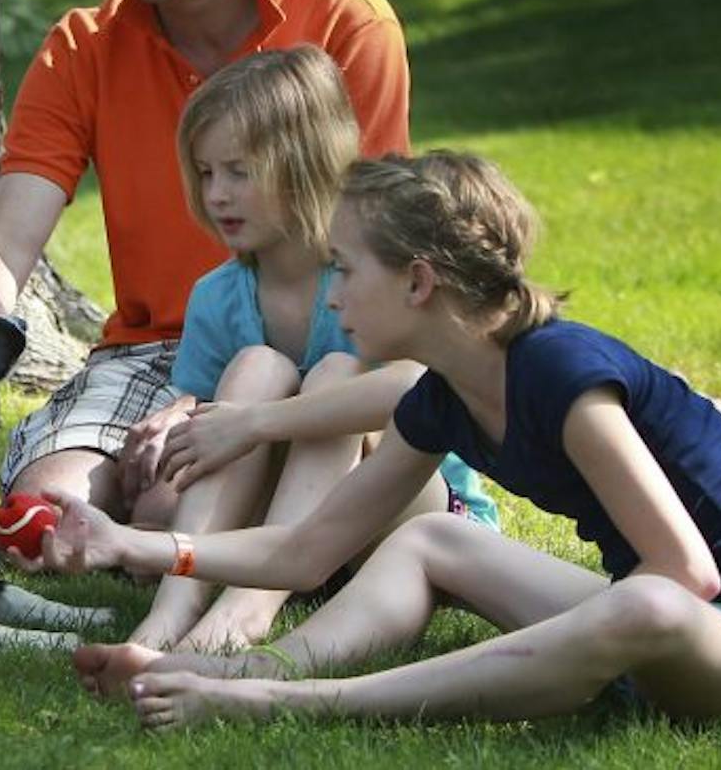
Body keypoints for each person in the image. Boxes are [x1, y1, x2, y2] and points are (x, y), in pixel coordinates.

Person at [47, 152, 721, 729]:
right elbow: (304, 552)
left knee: (647, 598)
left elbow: (690, 575)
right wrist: (140, 546)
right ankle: (246, 666)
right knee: (432, 539)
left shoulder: (559, 373)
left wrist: (572, 646)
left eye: (345, 269)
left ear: (419, 281)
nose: (334, 292)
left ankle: (285, 700)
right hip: (638, 633)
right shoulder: (443, 396)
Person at [0, 0, 410, 520]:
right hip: (155, 353)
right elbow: (5, 237)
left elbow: (378, 234)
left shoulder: (348, 22)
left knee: (180, 501)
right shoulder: (84, 46)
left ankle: (237, 511)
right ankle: (238, 510)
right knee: (48, 508)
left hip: (324, 338)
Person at [123, 49, 494, 654]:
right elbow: (215, 433)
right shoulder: (219, 296)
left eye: (239, 172)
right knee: (255, 367)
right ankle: (173, 610)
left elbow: (417, 388)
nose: (217, 194)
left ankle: (247, 611)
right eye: (206, 172)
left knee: (337, 375)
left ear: (304, 165)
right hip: (285, 532)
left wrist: (256, 422)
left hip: (412, 521)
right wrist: (178, 424)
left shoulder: (371, 279)